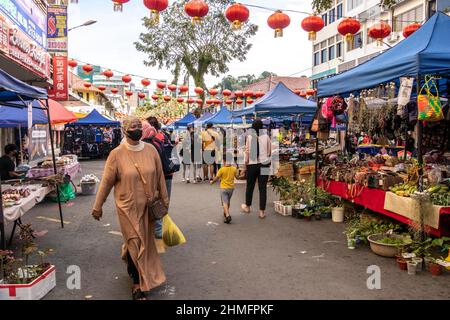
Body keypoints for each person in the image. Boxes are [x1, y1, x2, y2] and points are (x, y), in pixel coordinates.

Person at [92, 116, 168, 300]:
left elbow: (159, 178)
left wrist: (164, 201)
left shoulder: (151, 150)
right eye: (132, 126)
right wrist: (97, 206)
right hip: (127, 209)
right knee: (136, 242)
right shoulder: (116, 154)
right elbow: (106, 182)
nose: (136, 129)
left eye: (138, 126)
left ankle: (130, 259)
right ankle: (137, 284)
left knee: (142, 243)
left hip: (148, 208)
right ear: (125, 130)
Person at [241, 119, 272, 219]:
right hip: (265, 163)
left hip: (252, 164)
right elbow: (270, 151)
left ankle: (247, 206)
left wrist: (244, 166)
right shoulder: (266, 136)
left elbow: (247, 152)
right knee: (263, 188)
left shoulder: (250, 136)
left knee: (250, 186)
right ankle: (262, 212)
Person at [210, 154, 238, 224]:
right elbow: (237, 177)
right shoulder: (234, 169)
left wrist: (212, 181)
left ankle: (228, 215)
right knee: (228, 201)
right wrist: (242, 175)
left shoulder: (221, 169)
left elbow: (216, 178)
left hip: (223, 188)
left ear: (224, 161)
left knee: (224, 202)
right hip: (231, 188)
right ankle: (225, 212)